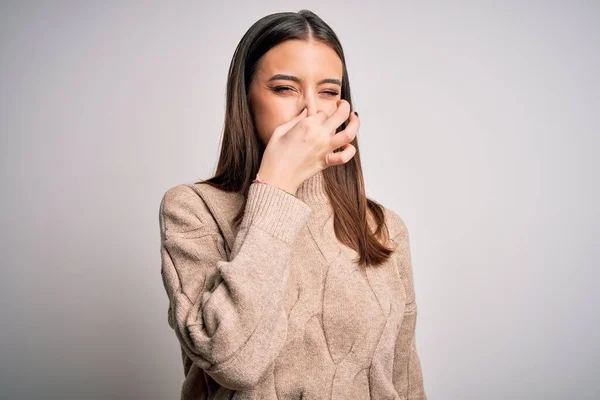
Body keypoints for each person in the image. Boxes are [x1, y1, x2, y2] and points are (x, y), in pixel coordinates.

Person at [158, 9, 427, 399]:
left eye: (329, 92)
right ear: (245, 99)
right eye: (285, 88)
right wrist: (278, 185)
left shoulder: (383, 227)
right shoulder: (191, 210)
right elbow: (234, 362)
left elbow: (405, 380)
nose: (312, 111)